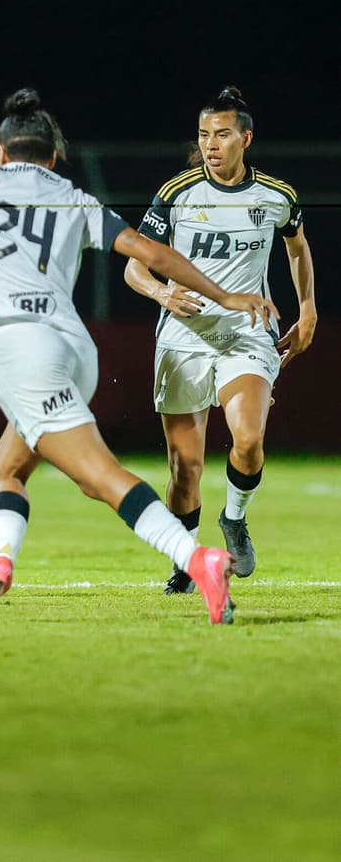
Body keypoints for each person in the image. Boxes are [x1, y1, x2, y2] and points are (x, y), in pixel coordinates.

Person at [0, 87, 280, 625]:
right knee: (6, 470)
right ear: (52, 158)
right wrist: (226, 295)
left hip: (20, 346)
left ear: (2, 153)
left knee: (99, 477)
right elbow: (154, 253)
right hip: (73, 347)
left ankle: (197, 558)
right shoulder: (74, 196)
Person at [124, 85, 316, 593]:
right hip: (183, 338)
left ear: (245, 138)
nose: (211, 144)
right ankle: (186, 563)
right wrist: (162, 295)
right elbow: (134, 268)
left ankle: (234, 520)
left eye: (222, 134)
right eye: (204, 134)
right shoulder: (178, 193)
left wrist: (308, 307)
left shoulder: (276, 196)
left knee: (248, 440)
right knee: (185, 467)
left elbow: (297, 248)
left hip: (247, 334)